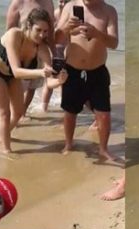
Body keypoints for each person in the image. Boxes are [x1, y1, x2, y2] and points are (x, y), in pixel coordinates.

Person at [0, 8, 64, 153]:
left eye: (46, 31)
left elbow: (50, 82)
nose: (42, 35)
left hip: (12, 76)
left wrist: (60, 81)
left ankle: (2, 136)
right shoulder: (14, 35)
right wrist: (41, 72)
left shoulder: (43, 48)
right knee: (5, 112)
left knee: (19, 112)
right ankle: (6, 150)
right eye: (38, 30)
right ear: (29, 25)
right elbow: (16, 70)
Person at [55, 0, 119, 160]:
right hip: (73, 69)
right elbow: (56, 38)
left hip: (98, 71)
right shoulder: (70, 7)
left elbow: (114, 42)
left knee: (103, 114)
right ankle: (69, 143)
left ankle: (103, 149)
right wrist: (66, 28)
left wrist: (97, 33)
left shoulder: (109, 11)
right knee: (70, 111)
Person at [6, 0, 56, 115]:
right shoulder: (18, 3)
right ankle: (11, 112)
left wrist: (54, 52)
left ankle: (22, 111)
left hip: (40, 48)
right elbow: (9, 29)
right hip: (22, 48)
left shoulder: (48, 3)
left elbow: (51, 30)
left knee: (33, 85)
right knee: (14, 83)